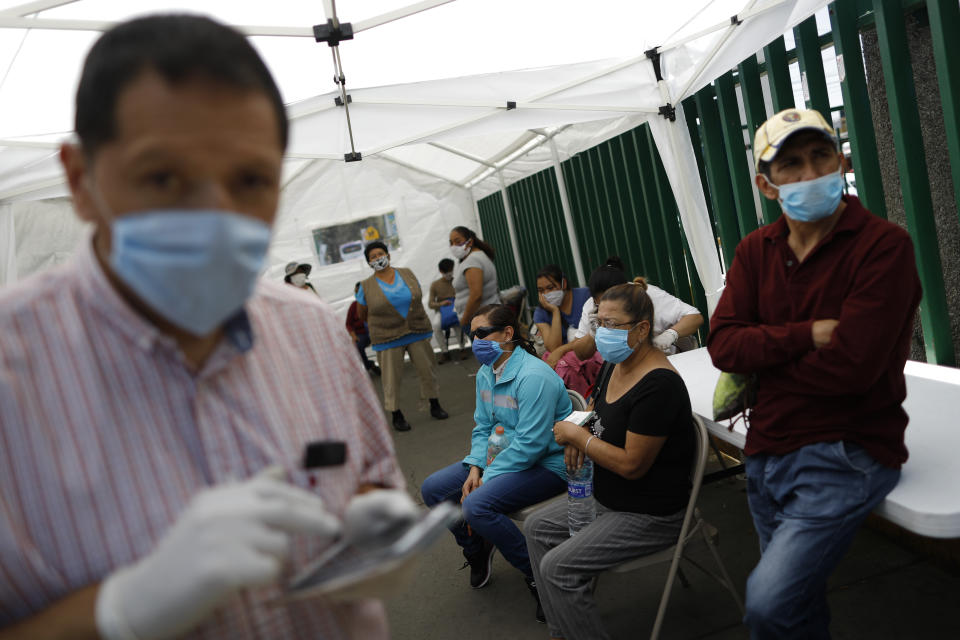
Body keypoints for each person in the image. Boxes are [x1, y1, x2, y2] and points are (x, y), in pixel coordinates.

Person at [0, 14, 418, 640]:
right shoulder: (13, 372)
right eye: (164, 177)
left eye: (250, 180)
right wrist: (119, 611)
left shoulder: (312, 331)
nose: (214, 216)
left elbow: (370, 483)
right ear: (80, 180)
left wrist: (377, 529)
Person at [707, 108, 922, 639]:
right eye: (791, 164)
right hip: (765, 451)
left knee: (769, 605)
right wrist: (808, 335)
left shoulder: (883, 245)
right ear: (766, 184)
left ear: (841, 158)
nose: (810, 174)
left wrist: (768, 361)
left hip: (847, 454)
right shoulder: (755, 251)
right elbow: (724, 344)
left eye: (820, 156)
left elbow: (853, 368)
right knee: (798, 609)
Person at [524, 282, 695, 640]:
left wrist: (578, 438)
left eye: (612, 324)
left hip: (651, 514)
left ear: (643, 329)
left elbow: (633, 465)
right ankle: (564, 630)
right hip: (608, 496)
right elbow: (594, 409)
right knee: (536, 527)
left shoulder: (658, 385)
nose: (601, 332)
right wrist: (578, 426)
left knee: (558, 567)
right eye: (598, 322)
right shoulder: (615, 365)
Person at [420, 304, 570, 621]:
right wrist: (475, 467)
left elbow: (533, 445)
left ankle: (539, 576)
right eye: (472, 334)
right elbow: (483, 427)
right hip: (499, 459)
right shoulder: (488, 373)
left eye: (481, 333)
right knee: (432, 489)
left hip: (548, 465)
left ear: (507, 334)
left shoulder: (533, 377)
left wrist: (486, 477)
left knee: (476, 505)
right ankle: (477, 547)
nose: (475, 341)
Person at [355, 241, 449, 431]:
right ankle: (396, 413)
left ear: (388, 256)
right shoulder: (365, 286)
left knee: (427, 370)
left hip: (416, 330)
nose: (378, 259)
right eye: (373, 257)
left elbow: (417, 297)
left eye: (380, 254)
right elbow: (362, 314)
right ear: (368, 262)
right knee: (391, 379)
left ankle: (434, 404)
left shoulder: (406, 273)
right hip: (387, 336)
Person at [533, 264, 602, 397]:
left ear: (563, 283)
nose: (546, 294)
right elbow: (553, 347)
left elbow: (593, 332)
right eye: (541, 290)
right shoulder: (541, 312)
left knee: (564, 365)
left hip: (589, 351)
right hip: (563, 359)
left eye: (550, 288)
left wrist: (562, 350)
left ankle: (584, 400)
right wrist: (555, 311)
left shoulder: (586, 296)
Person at [449, 226, 500, 334]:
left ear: (470, 242)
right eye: (451, 242)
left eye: (457, 241)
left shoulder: (472, 261)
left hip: (479, 321)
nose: (453, 246)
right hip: (487, 316)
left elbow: (476, 296)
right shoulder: (479, 256)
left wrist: (465, 320)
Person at [428, 258, 465, 363]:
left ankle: (462, 348)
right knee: (436, 325)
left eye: (450, 270)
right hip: (442, 310)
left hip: (456, 308)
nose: (449, 273)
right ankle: (445, 352)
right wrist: (441, 304)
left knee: (458, 322)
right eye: (446, 271)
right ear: (441, 271)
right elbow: (430, 304)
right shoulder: (435, 285)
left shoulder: (457, 281)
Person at [346, 281, 381, 375]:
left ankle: (386, 365)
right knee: (357, 346)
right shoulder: (354, 305)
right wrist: (353, 335)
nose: (357, 294)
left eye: (359, 292)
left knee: (382, 343)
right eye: (355, 292)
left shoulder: (375, 303)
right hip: (363, 334)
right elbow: (348, 324)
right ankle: (369, 365)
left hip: (377, 331)